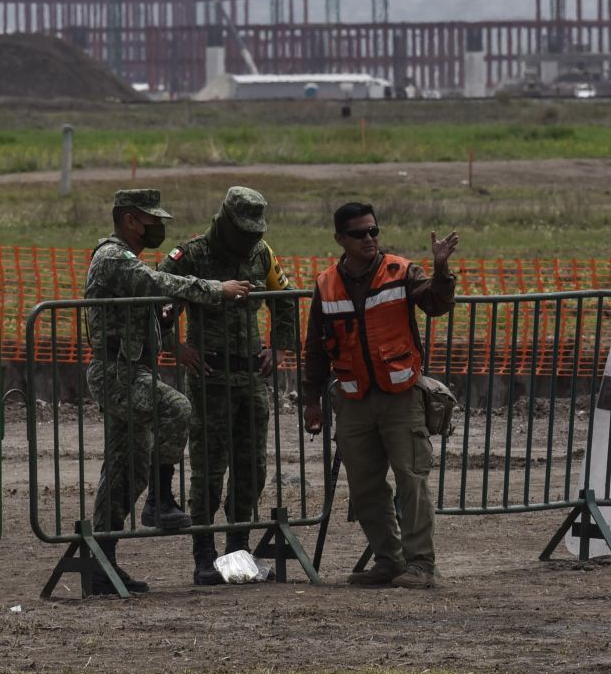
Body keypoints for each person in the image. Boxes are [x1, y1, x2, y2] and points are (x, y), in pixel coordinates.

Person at [83, 188, 252, 596]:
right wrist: (217, 289)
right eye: (151, 220)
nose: (158, 227)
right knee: (176, 408)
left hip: (131, 369)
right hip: (116, 372)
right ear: (129, 220)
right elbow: (157, 280)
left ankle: (101, 563)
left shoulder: (126, 258)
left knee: (127, 469)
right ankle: (160, 501)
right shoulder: (111, 256)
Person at [301, 202, 458, 589]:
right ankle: (390, 560)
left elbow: (436, 304)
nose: (369, 238)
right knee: (365, 485)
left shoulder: (402, 271)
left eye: (374, 231)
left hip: (401, 395)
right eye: (359, 233)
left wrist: (441, 270)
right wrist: (311, 399)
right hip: (353, 399)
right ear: (340, 239)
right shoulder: (326, 285)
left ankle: (421, 563)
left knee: (411, 479)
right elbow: (316, 348)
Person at [160, 186, 300, 587]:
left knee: (250, 468)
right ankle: (204, 559)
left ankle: (238, 555)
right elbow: (156, 302)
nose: (250, 240)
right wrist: (175, 347)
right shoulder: (192, 256)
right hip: (209, 379)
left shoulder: (262, 254)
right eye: (244, 232)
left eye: (256, 232)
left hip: (251, 378)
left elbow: (286, 297)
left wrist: (279, 346)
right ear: (225, 223)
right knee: (208, 469)